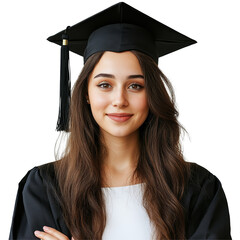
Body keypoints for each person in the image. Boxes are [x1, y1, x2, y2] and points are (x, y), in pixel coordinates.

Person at [9, 2, 231, 240]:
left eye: (135, 86)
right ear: (86, 92)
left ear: (153, 94)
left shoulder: (197, 189)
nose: (119, 100)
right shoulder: (45, 188)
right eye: (105, 84)